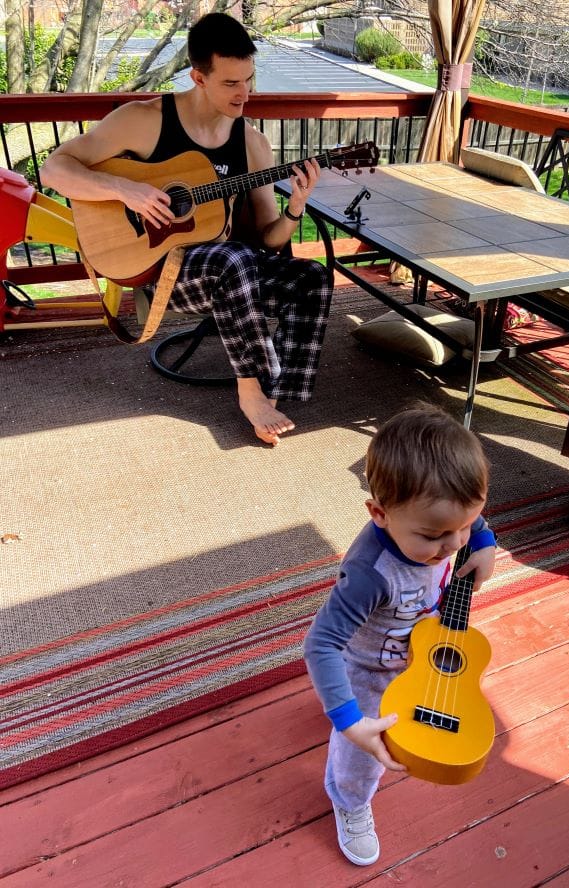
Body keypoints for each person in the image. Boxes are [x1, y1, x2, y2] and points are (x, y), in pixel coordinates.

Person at [41, 12, 332, 446]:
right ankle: (250, 391)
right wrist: (125, 190)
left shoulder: (252, 143)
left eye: (249, 80)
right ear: (198, 77)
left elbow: (270, 239)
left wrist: (295, 207)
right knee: (234, 258)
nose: (244, 94)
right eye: (230, 83)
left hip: (228, 274)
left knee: (312, 277)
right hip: (162, 274)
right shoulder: (144, 121)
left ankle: (277, 390)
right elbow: (53, 169)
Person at [303, 403, 496, 866]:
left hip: (419, 651)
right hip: (370, 670)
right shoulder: (370, 575)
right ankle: (350, 801)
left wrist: (483, 539)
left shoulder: (445, 523)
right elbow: (321, 643)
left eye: (462, 527)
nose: (452, 544)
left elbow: (464, 519)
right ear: (379, 513)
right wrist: (350, 722)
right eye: (434, 535)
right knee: (364, 753)